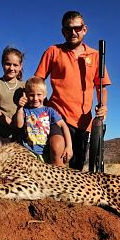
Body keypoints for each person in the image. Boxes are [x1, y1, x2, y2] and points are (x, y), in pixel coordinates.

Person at [34, 10, 111, 170]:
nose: (73, 32)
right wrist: (42, 105)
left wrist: (103, 106)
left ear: (85, 29)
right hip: (57, 114)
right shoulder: (53, 51)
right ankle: (53, 193)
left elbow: (101, 86)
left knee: (76, 166)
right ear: (63, 31)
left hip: (83, 121)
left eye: (77, 28)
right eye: (69, 29)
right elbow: (38, 80)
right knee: (57, 153)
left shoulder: (95, 55)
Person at [16, 77, 73, 166]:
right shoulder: (25, 110)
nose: (35, 98)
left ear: (45, 95)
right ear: (26, 95)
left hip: (46, 152)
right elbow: (19, 125)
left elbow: (63, 125)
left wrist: (69, 147)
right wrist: (20, 107)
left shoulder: (49, 111)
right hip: (29, 152)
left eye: (39, 94)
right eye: (31, 95)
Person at [0, 46, 26, 146]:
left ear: (20, 66)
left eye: (15, 65)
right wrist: (13, 124)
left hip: (20, 137)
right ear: (2, 64)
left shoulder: (25, 86)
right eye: (8, 64)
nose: (11, 68)